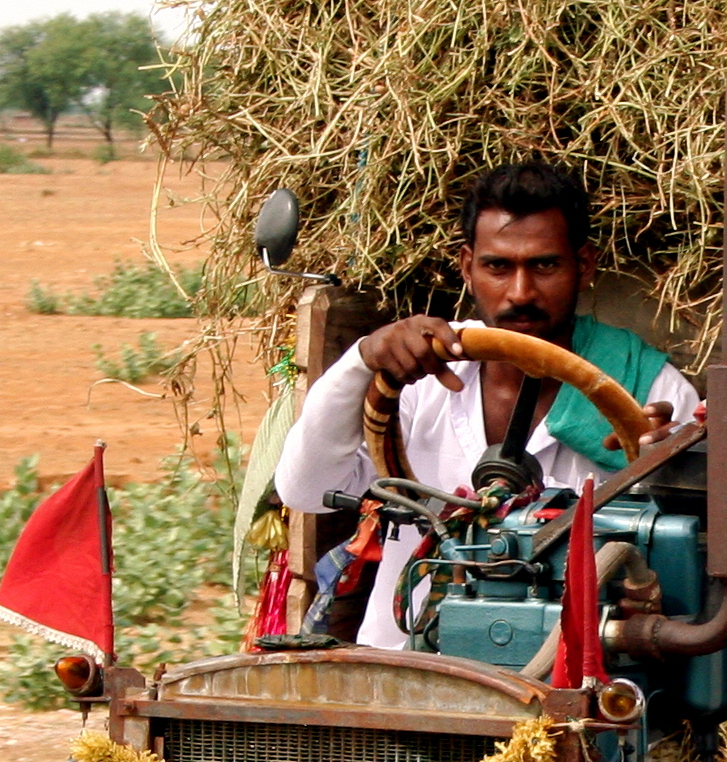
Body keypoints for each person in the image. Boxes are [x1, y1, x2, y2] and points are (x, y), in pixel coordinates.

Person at [274, 158, 698, 651]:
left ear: (583, 266)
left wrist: (663, 473)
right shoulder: (418, 380)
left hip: (569, 677)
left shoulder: (646, 391)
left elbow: (682, 568)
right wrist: (361, 359)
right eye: (498, 266)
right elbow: (304, 490)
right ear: (467, 267)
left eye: (544, 265)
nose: (521, 293)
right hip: (408, 670)